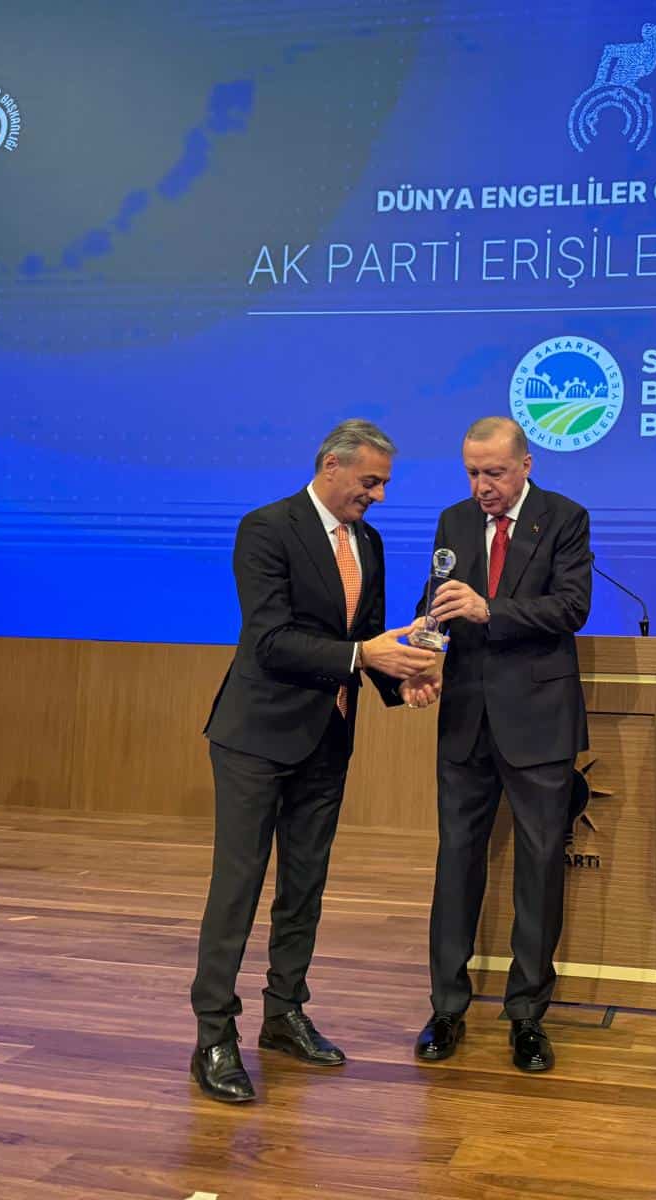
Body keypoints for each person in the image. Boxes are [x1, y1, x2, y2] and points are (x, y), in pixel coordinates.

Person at [189, 419, 440, 1103]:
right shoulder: (267, 529)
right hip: (256, 737)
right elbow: (270, 640)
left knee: (305, 886)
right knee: (238, 886)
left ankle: (284, 1013)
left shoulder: (369, 542)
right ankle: (214, 1036)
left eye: (384, 484)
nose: (379, 495)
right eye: (371, 482)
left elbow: (368, 639)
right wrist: (364, 656)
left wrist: (401, 680)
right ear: (332, 465)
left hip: (328, 736)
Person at [412, 416, 592, 1073]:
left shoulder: (564, 519)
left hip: (539, 720)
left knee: (539, 866)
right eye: (471, 472)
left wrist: (490, 609)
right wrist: (423, 656)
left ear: (525, 465)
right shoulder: (454, 521)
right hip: (466, 718)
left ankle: (527, 1016)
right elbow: (435, 604)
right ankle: (446, 1007)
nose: (481, 485)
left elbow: (571, 608)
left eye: (493, 472)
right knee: (456, 860)